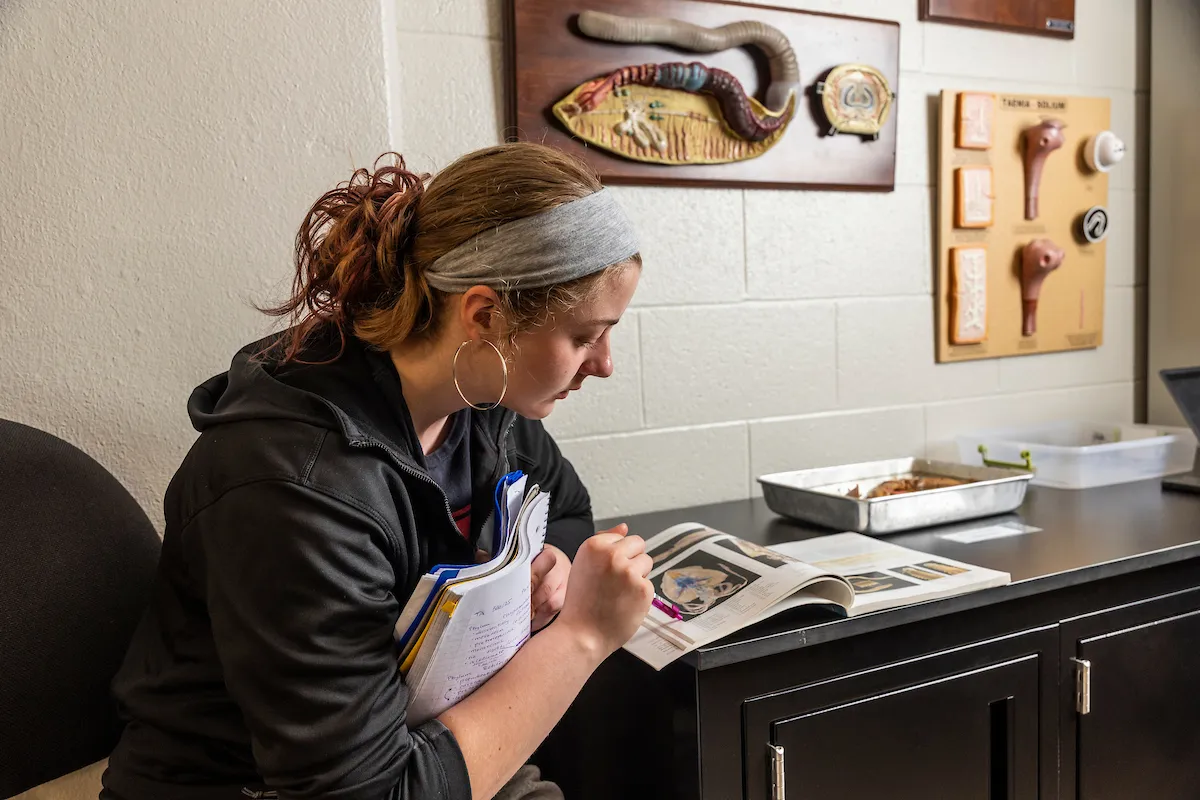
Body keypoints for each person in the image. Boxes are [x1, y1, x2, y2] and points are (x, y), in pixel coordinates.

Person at [100, 142, 653, 800]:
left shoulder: (484, 402)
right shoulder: (295, 489)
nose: (605, 364)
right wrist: (584, 635)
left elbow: (567, 510)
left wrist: (552, 567)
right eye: (585, 336)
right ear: (484, 316)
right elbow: (370, 792)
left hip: (421, 738)